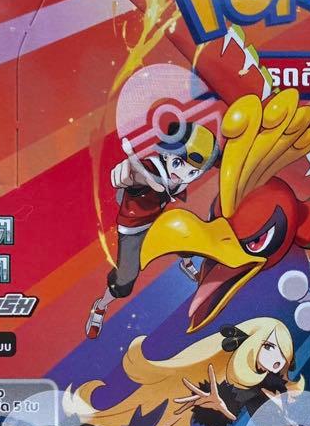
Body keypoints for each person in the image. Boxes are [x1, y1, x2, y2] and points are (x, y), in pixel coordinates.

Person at [73, 316, 302, 426]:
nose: (277, 359)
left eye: (283, 354)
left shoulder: (262, 388)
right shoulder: (212, 372)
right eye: (270, 347)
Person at [85, 120, 220, 338]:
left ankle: (186, 263)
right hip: (134, 227)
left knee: (188, 233)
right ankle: (100, 307)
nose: (183, 174)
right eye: (178, 163)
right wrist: (126, 174)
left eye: (193, 172)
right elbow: (134, 175)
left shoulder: (181, 178)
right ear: (166, 154)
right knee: (125, 279)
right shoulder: (149, 169)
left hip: (159, 220)